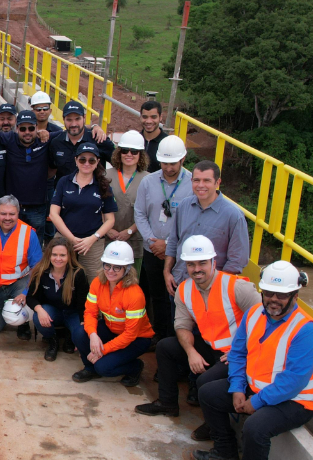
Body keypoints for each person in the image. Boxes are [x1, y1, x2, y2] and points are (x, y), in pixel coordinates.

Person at [192, 261, 313, 460]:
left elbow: (293, 381)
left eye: (282, 295)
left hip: (296, 401)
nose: (274, 299)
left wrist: (257, 402)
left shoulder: (308, 331)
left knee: (256, 428)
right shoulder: (254, 314)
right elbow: (238, 353)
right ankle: (226, 452)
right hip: (255, 389)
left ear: (295, 294)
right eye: (269, 293)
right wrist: (237, 388)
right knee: (208, 391)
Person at [136, 236, 261, 434]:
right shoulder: (184, 289)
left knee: (205, 382)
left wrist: (243, 351)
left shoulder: (237, 287)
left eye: (202, 263)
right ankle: (167, 403)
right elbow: (182, 325)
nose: (197, 269)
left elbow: (265, 322)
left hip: (234, 354)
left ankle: (215, 428)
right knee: (166, 347)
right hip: (209, 347)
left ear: (214, 262)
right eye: (191, 264)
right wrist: (191, 351)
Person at [71, 240, 153, 386]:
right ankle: (90, 368)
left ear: (127, 269)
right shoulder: (98, 283)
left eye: (117, 267)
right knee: (79, 333)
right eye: (107, 265)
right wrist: (93, 335)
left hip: (136, 339)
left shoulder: (135, 294)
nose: (110, 270)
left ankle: (135, 367)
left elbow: (130, 334)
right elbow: (90, 312)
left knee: (104, 367)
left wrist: (102, 350)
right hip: (112, 329)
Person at [134, 135, 192, 338]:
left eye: (173, 163)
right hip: (153, 251)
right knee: (157, 297)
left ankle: (176, 338)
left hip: (179, 254)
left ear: (182, 159)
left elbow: (193, 221)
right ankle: (160, 337)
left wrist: (167, 244)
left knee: (178, 298)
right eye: (165, 163)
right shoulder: (148, 182)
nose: (168, 168)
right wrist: (152, 241)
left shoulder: (193, 183)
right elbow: (139, 213)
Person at [164, 160, 250, 292]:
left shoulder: (233, 215)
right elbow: (174, 242)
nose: (201, 185)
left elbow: (237, 260)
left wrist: (215, 289)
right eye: (196, 180)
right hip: (179, 284)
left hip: (210, 291)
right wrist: (167, 272)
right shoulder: (184, 206)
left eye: (207, 181)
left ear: (218, 182)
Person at [0, 197, 43, 354]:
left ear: (18, 213)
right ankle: (7, 308)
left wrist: (26, 293)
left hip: (18, 283)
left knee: (17, 316)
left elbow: (38, 268)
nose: (7, 218)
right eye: (3, 213)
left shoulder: (28, 233)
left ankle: (23, 321)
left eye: (12, 214)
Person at [51, 142, 116, 278]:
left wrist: (92, 239)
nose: (87, 163)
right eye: (82, 159)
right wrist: (72, 238)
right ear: (76, 160)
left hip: (92, 243)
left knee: (93, 279)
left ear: (98, 162)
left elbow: (110, 220)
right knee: (61, 277)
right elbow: (53, 213)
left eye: (91, 160)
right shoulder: (64, 182)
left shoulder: (103, 185)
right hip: (64, 240)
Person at [27, 236, 90, 361]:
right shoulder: (41, 272)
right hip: (53, 312)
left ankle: (70, 336)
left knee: (81, 333)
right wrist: (39, 310)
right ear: (49, 255)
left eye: (62, 255)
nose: (58, 259)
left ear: (69, 256)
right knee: (38, 317)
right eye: (54, 254)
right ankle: (52, 340)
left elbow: (84, 302)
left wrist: (84, 324)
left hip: (73, 313)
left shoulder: (78, 273)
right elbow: (31, 297)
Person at [0, 110, 54, 235]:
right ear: (17, 129)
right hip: (13, 208)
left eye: (31, 128)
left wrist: (94, 127)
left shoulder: (45, 140)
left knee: (35, 247)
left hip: (38, 207)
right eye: (23, 129)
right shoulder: (9, 138)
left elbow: (70, 132)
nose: (27, 132)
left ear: (37, 128)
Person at [105, 130, 148, 263]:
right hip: (108, 239)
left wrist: (129, 231)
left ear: (140, 155)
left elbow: (148, 212)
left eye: (134, 151)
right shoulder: (106, 176)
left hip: (134, 241)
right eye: (125, 150)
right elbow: (98, 205)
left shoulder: (148, 179)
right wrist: (107, 229)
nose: (129, 154)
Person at [49, 101, 114, 181]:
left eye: (77, 119)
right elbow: (51, 170)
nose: (73, 124)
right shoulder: (56, 143)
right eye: (69, 120)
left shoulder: (99, 139)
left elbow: (119, 164)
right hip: (64, 192)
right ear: (63, 120)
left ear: (84, 118)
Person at [139, 100, 165, 172]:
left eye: (153, 117)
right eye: (145, 117)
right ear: (140, 117)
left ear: (160, 117)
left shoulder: (167, 143)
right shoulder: (134, 140)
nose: (148, 121)